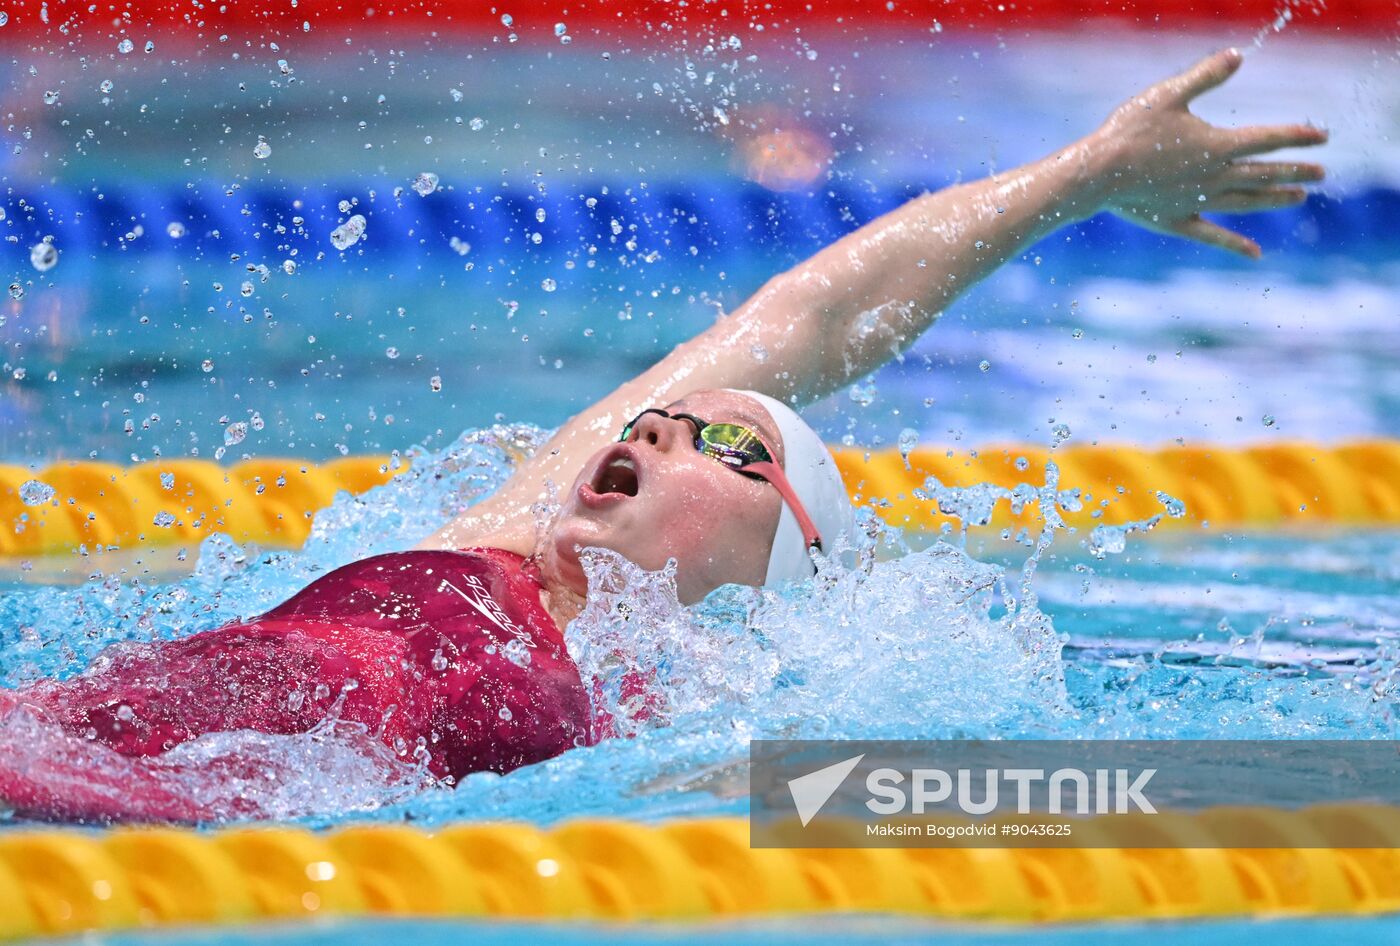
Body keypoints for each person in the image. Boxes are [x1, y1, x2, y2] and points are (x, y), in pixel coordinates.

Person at [1, 50, 1325, 820]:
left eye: (728, 446)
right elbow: (816, 304)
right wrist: (1080, 181)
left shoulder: (679, 741)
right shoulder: (499, 542)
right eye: (666, 416)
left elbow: (995, 804)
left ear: (779, 570)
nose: (660, 421)